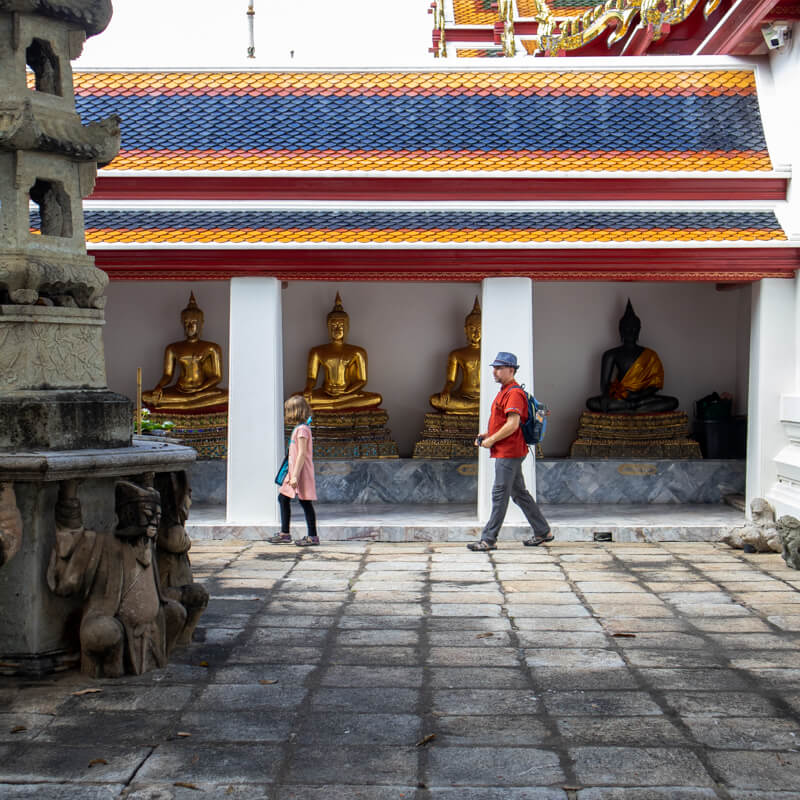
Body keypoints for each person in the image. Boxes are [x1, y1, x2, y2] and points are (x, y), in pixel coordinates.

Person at [468, 352, 552, 552]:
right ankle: (543, 531)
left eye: (499, 368)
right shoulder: (505, 390)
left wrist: (491, 440)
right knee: (519, 494)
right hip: (508, 449)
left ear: (511, 370)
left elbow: (513, 425)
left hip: (509, 452)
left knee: (499, 494)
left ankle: (489, 539)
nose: (494, 371)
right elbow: (505, 423)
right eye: (494, 367)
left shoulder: (513, 392)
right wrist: (488, 434)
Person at [586, 300, 678, 413]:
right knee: (591, 403)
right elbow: (604, 386)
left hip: (643, 397)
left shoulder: (650, 355)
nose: (630, 330)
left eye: (634, 327)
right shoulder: (611, 354)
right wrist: (622, 394)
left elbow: (655, 385)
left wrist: (638, 395)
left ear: (639, 329)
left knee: (673, 402)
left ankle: (632, 406)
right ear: (620, 330)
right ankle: (635, 407)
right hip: (621, 396)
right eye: (627, 327)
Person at [143, 293, 228, 411]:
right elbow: (168, 375)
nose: (190, 326)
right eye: (186, 323)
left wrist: (200, 389)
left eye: (194, 323)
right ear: (182, 323)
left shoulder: (212, 347)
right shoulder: (172, 348)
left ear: (201, 324)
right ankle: (188, 403)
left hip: (203, 390)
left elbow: (217, 377)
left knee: (228, 395)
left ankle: (185, 404)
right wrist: (159, 387)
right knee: (146, 396)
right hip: (180, 390)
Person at [301, 293, 382, 411]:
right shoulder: (317, 351)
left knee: (377, 398)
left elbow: (362, 380)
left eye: (340, 325)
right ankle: (334, 404)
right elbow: (311, 377)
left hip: (348, 393)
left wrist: (346, 391)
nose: (337, 329)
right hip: (325, 393)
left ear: (347, 327)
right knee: (297, 398)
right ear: (328, 328)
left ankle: (332, 405)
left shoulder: (357, 352)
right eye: (333, 326)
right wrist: (308, 388)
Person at [269, 395, 319, 547]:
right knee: (283, 498)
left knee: (305, 502)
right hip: (293, 472)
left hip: (300, 473)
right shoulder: (298, 429)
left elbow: (302, 454)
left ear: (295, 411)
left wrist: (295, 476)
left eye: (288, 410)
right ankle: (285, 533)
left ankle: (312, 536)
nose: (286, 414)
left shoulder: (302, 430)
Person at [429, 297, 482, 415]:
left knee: (500, 401)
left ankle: (477, 407)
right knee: (434, 400)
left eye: (479, 329)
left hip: (484, 396)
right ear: (465, 330)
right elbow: (450, 380)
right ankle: (480, 408)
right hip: (462, 395)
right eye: (472, 329)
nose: (476, 333)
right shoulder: (457, 354)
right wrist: (446, 390)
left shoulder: (490, 354)